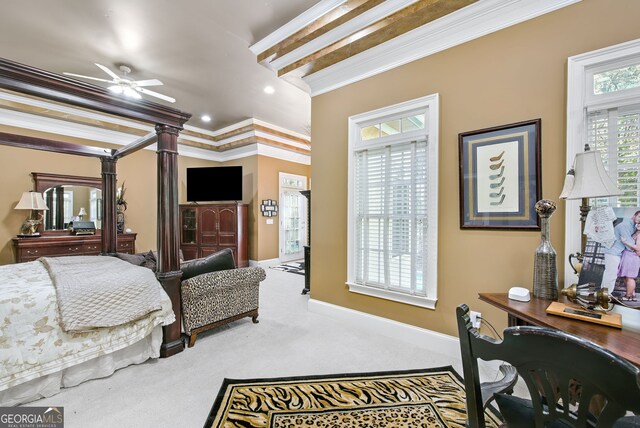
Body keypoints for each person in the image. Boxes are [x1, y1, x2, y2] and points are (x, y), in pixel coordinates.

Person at [602, 210, 640, 291]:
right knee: (611, 274)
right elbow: (630, 246)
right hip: (613, 252)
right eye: (639, 217)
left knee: (610, 274)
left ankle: (604, 293)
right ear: (634, 215)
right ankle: (606, 294)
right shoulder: (626, 225)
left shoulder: (633, 226)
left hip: (616, 252)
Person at [619, 223, 640, 301]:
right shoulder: (636, 232)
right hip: (629, 256)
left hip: (632, 257)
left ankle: (628, 296)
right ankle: (632, 295)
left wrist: (625, 242)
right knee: (627, 277)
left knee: (630, 277)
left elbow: (638, 248)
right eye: (639, 223)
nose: (639, 224)